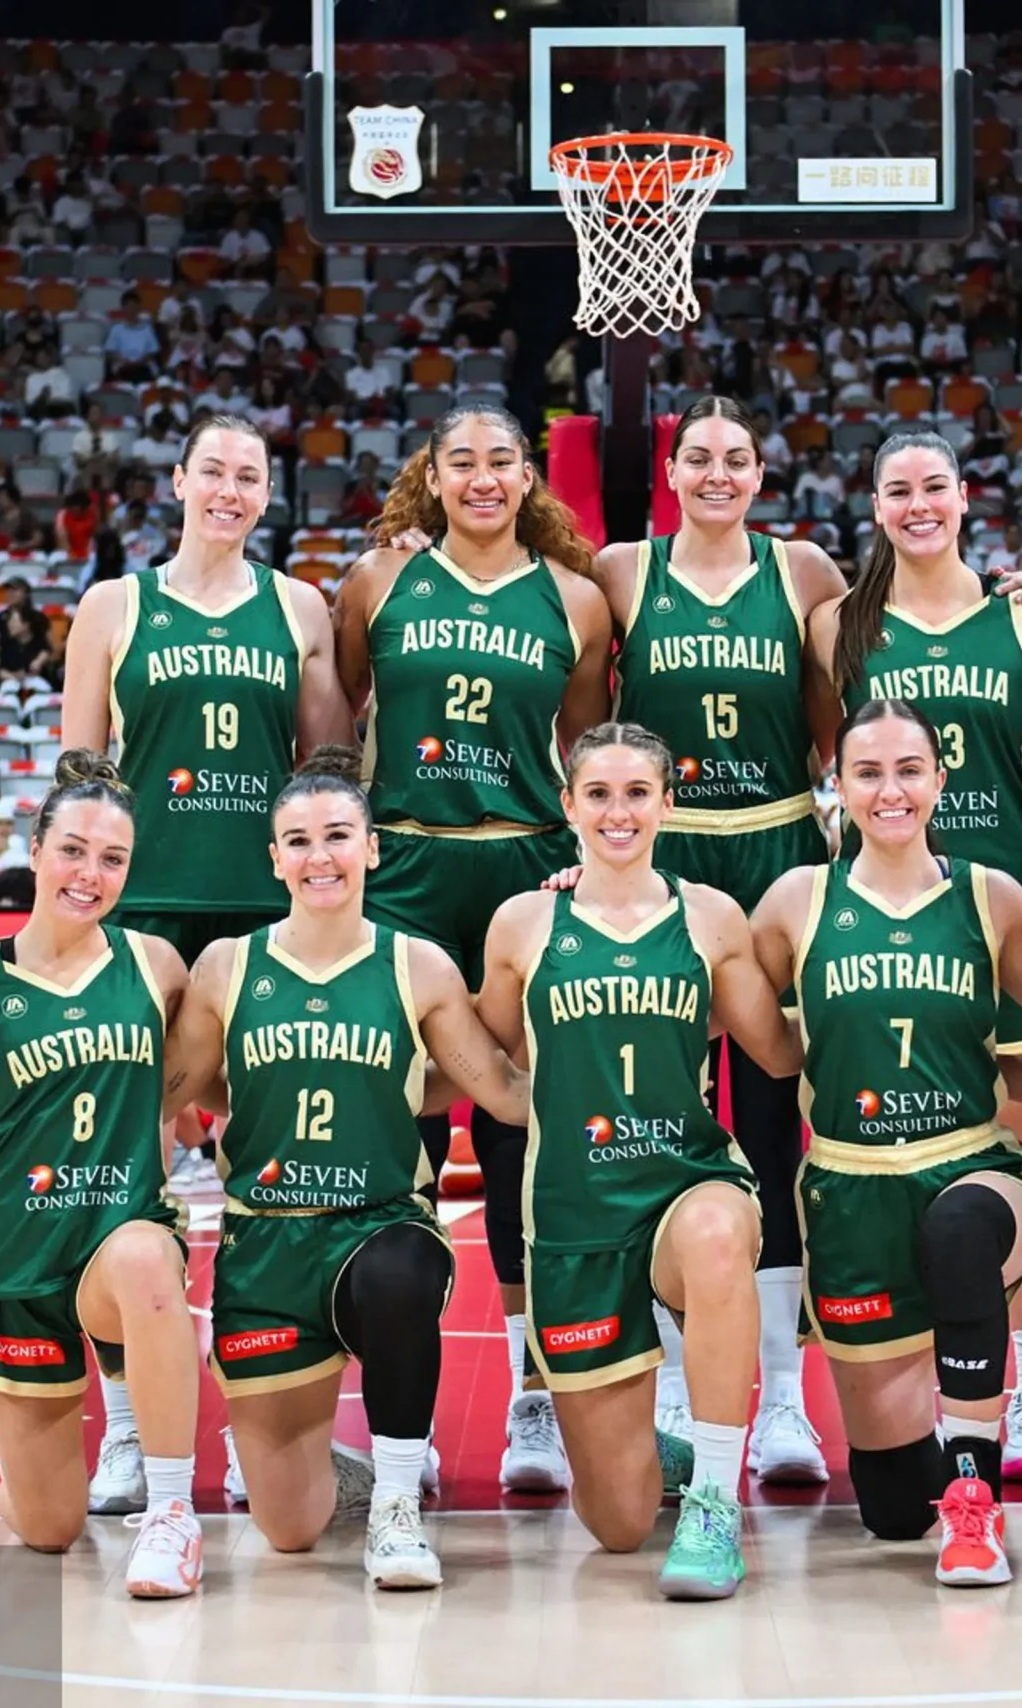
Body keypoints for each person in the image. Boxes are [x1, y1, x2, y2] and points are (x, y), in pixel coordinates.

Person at [60, 412, 350, 1509]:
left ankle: (265, 1427)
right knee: (125, 1175)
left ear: (266, 495)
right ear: (178, 480)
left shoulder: (297, 606)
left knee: (274, 1177)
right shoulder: (114, 606)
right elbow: (81, 776)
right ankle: (131, 1428)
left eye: (249, 476)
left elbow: (326, 767)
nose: (228, 490)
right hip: (145, 914)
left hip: (265, 917)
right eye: (212, 472)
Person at [333, 400, 614, 1492]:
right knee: (386, 1150)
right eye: (464, 461)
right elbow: (336, 711)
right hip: (402, 867)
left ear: (529, 478)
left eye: (504, 461)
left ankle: (532, 1402)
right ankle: (385, 1417)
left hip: (523, 868)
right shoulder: (379, 583)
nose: (485, 478)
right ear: (433, 476)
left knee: (521, 1151)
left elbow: (587, 743)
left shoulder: (576, 601)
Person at [164, 748, 527, 1591]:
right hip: (265, 1242)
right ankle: (344, 1466)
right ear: (274, 858)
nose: (317, 856)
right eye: (297, 840)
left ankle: (398, 1501)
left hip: (380, 1221)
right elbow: (170, 1091)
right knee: (288, 1529)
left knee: (399, 1279)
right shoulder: (228, 966)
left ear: (371, 848)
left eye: (336, 836)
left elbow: (502, 1093)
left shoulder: (418, 965)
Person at [472, 723, 803, 1598]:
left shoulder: (709, 916)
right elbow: (489, 1063)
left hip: (686, 1179)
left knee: (716, 1238)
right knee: (616, 1525)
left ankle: (712, 1501)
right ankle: (653, 1447)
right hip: (576, 1213)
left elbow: (774, 1050)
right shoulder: (521, 922)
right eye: (599, 795)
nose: (618, 813)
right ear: (568, 804)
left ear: (667, 802)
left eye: (637, 794)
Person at [809, 430, 1022, 1488]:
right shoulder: (839, 623)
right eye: (897, 491)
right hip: (875, 909)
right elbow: (827, 748)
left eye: (935, 487)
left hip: (993, 895)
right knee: (873, 1151)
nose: (918, 504)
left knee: (1020, 1154)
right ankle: (913, 1387)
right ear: (873, 508)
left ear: (965, 498)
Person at [750, 700, 1022, 1588]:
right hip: (850, 1189)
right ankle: (942, 1449)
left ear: (938, 779)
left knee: (961, 1233)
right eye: (868, 773)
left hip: (972, 1166)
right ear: (839, 786)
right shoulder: (794, 904)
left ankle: (975, 1497)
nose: (890, 790)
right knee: (892, 1511)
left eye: (908, 771)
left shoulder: (993, 898)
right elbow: (720, 1001)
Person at [595, 396, 846, 1483]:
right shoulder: (619, 572)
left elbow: (831, 709)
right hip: (665, 861)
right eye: (695, 455)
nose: (714, 472)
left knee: (778, 1129)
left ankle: (785, 1400)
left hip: (778, 850)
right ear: (670, 469)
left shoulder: (801, 572)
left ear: (759, 472)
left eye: (734, 458)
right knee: (662, 1122)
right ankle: (663, 1393)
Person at [0, 753, 205, 1599]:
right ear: (37, 850)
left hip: (116, 1240)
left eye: (112, 859)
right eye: (74, 851)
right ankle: (33, 1471)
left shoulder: (155, 965)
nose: (91, 874)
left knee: (151, 1262)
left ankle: (171, 1515)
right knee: (50, 1527)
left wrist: (187, 1120)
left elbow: (190, 1094)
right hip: (14, 1253)